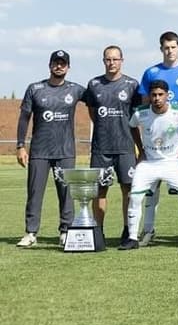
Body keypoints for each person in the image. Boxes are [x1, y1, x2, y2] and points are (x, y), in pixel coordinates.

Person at [137, 31, 178, 245]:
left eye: (173, 47)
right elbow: (144, 105)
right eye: (166, 47)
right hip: (155, 142)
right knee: (151, 188)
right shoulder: (151, 72)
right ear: (161, 49)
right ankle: (148, 231)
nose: (170, 51)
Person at [15, 50, 86, 248]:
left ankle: (65, 232)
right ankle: (31, 233)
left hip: (65, 151)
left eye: (63, 63)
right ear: (50, 65)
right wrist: (20, 146)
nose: (59, 66)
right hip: (39, 151)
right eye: (56, 62)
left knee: (66, 193)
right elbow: (24, 118)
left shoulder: (76, 90)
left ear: (68, 67)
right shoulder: (35, 88)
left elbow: (99, 101)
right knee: (35, 192)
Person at [119, 80, 178, 250]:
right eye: (153, 95)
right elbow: (132, 126)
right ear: (149, 96)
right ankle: (132, 238)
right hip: (149, 162)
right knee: (135, 196)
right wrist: (140, 149)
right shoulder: (141, 113)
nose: (156, 98)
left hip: (173, 162)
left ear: (167, 96)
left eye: (160, 95)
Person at [83, 45, 140, 241]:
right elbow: (93, 113)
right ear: (103, 61)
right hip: (101, 148)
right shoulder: (94, 84)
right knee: (100, 190)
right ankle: (98, 231)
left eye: (115, 59)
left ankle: (128, 229)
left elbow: (135, 116)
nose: (112, 63)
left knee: (129, 190)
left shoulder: (132, 85)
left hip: (125, 147)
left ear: (122, 60)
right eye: (108, 59)